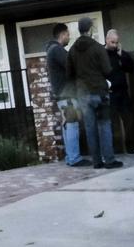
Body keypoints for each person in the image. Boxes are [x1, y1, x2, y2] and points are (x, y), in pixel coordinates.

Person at [66, 16, 122, 169]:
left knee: (90, 128)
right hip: (99, 92)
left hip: (82, 94)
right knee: (104, 125)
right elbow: (107, 70)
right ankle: (109, 160)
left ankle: (97, 161)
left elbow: (69, 73)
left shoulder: (72, 50)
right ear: (90, 29)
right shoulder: (98, 47)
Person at [44, 23, 89, 167]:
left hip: (62, 95)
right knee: (72, 125)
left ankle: (71, 157)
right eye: (68, 34)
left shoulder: (52, 50)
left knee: (68, 125)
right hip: (67, 95)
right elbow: (71, 66)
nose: (69, 37)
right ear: (62, 34)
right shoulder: (57, 50)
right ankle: (75, 158)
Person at [105, 29, 134, 154]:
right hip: (110, 92)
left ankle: (131, 147)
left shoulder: (120, 53)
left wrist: (121, 54)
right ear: (107, 40)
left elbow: (130, 68)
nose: (114, 45)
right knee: (113, 123)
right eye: (112, 42)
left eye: (116, 42)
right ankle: (116, 149)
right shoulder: (102, 54)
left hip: (123, 92)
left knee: (129, 119)